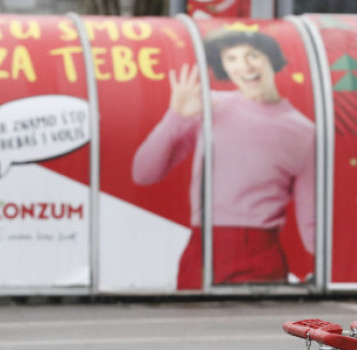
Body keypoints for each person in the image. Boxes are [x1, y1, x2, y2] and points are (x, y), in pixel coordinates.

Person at [132, 28, 316, 289]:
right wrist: (175, 117)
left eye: (252, 55)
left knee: (247, 330)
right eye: (231, 59)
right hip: (202, 250)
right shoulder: (209, 106)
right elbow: (144, 173)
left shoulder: (305, 132)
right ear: (224, 67)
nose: (243, 66)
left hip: (261, 253)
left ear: (270, 58)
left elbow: (311, 221)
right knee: (193, 328)